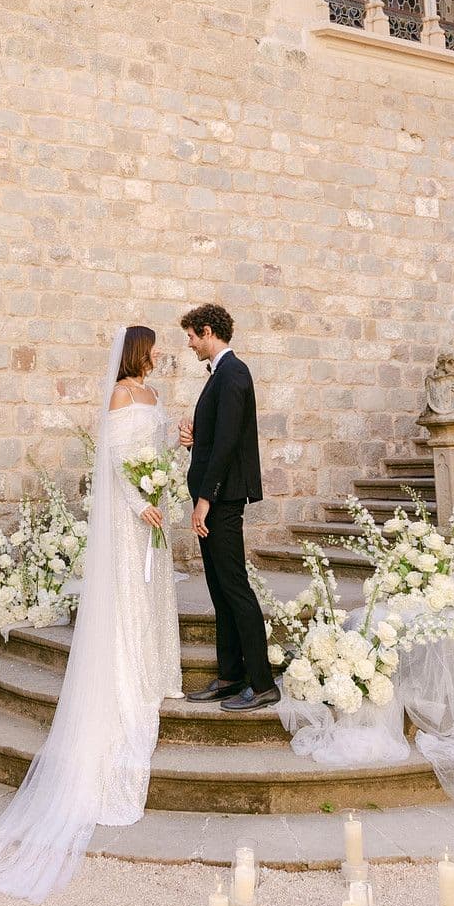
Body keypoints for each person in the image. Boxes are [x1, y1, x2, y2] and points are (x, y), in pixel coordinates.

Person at [0, 325, 182, 902]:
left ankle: (152, 668)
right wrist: (139, 500)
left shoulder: (153, 396)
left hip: (155, 506)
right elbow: (119, 458)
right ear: (136, 352)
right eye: (152, 347)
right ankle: (125, 677)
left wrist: (174, 461)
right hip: (132, 516)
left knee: (152, 595)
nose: (158, 355)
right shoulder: (122, 393)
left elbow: (156, 451)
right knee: (126, 594)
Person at [178, 303, 277, 712]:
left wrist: (205, 499)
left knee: (234, 586)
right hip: (212, 495)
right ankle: (230, 674)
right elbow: (217, 434)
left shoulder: (234, 372)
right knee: (219, 587)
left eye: (191, 336)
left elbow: (229, 444)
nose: (189, 344)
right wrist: (193, 436)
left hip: (221, 498)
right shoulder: (220, 375)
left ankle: (262, 681)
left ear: (206, 330)